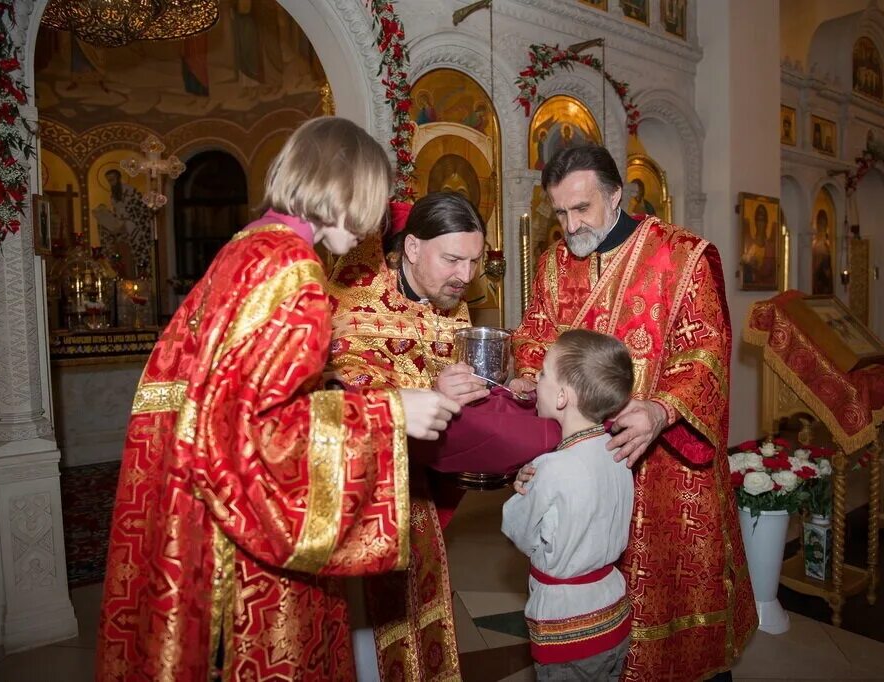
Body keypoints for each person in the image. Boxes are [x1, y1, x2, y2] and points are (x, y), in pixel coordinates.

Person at [94, 117, 461, 682]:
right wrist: (393, 412)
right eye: (376, 200)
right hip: (249, 545)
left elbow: (224, 397)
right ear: (345, 188)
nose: (376, 223)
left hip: (199, 511)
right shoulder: (293, 272)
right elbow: (260, 430)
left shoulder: (249, 248)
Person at [509, 145, 755, 681]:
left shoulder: (681, 256)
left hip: (665, 468)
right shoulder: (555, 264)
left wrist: (663, 410)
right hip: (582, 463)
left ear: (617, 194)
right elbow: (534, 332)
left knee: (674, 603)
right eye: (560, 212)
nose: (570, 226)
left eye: (582, 208)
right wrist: (529, 374)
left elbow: (706, 351)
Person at [325, 191, 490, 680]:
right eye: (453, 259)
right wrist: (430, 390)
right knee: (368, 640)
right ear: (413, 248)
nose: (464, 275)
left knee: (421, 618)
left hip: (416, 500)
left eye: (474, 261)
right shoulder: (356, 297)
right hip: (360, 500)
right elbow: (344, 390)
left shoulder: (454, 309)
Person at [503, 329, 635, 681]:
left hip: (566, 624)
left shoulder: (551, 467)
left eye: (543, 373)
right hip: (613, 610)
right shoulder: (619, 453)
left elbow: (517, 530)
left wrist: (522, 492)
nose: (537, 380)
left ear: (562, 396)